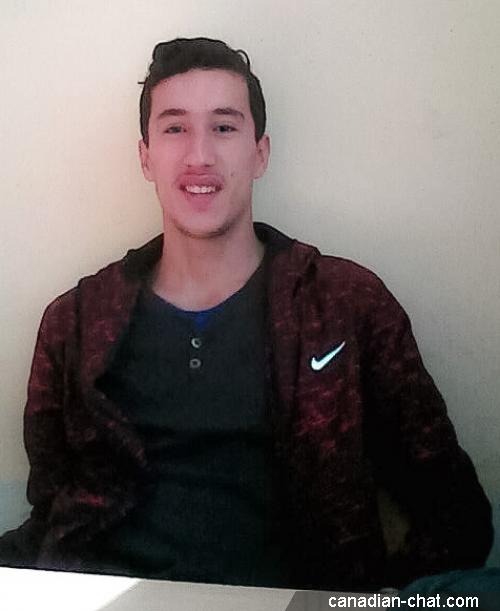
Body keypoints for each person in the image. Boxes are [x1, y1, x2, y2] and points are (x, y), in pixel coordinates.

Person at [0, 37, 493, 591]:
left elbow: (456, 517)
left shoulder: (346, 305)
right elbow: (50, 513)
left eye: (224, 126)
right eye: (175, 128)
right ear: (145, 157)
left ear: (260, 152)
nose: (200, 155)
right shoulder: (74, 323)